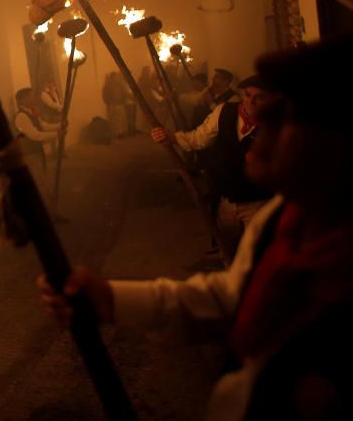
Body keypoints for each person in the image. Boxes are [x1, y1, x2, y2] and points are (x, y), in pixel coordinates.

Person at [38, 35, 353, 420]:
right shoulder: (285, 217)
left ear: (339, 144)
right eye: (256, 101)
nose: (260, 119)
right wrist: (112, 299)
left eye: (291, 113)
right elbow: (236, 295)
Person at [152, 76, 276, 262]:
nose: (251, 101)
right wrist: (170, 137)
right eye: (248, 95)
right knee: (228, 252)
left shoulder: (279, 123)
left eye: (260, 97)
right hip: (226, 200)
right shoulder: (224, 112)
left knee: (259, 255)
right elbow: (199, 138)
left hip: (259, 203)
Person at [102, 72, 129, 137]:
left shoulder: (117, 85)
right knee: (113, 120)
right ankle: (115, 133)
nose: (117, 78)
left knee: (119, 120)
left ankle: (119, 133)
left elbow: (124, 93)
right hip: (113, 104)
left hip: (118, 104)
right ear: (113, 77)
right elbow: (105, 95)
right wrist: (108, 102)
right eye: (116, 77)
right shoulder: (109, 85)